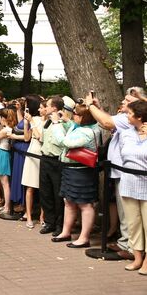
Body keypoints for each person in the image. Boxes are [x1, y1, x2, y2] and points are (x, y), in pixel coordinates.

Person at [86, 89, 142, 260]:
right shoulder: (126, 118)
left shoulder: (129, 119)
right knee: (124, 210)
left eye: (127, 99)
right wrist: (99, 108)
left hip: (128, 172)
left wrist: (90, 105)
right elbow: (106, 122)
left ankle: (131, 246)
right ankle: (125, 241)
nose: (123, 101)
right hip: (119, 170)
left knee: (128, 212)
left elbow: (107, 122)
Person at [51, 103, 101, 249]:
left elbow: (65, 142)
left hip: (81, 171)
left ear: (83, 117)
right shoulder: (82, 127)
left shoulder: (88, 132)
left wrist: (55, 123)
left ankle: (84, 238)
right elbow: (72, 128)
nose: (73, 116)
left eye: (76, 115)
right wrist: (66, 121)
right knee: (69, 201)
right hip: (70, 169)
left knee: (85, 204)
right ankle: (66, 232)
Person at [117, 100, 147, 273]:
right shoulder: (126, 133)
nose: (126, 115)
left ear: (140, 116)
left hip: (146, 184)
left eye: (129, 113)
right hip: (128, 183)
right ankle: (137, 257)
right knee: (133, 223)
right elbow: (123, 154)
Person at [38, 96, 69, 236]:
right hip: (45, 158)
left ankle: (59, 224)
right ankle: (49, 222)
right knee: (45, 192)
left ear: (55, 108)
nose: (46, 107)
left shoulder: (63, 122)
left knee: (57, 194)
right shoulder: (48, 122)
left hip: (57, 161)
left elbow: (62, 141)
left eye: (48, 105)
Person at [21, 95, 44, 228]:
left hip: (42, 152)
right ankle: (29, 216)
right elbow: (26, 138)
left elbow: (40, 136)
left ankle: (42, 215)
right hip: (32, 150)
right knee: (30, 187)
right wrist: (26, 123)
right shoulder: (30, 119)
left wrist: (32, 122)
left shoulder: (43, 120)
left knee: (43, 188)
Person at [0, 108, 17, 215]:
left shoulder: (5, 129)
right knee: (4, 182)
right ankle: (6, 206)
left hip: (2, 153)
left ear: (2, 118)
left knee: (5, 183)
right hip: (3, 153)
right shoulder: (10, 128)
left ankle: (7, 207)